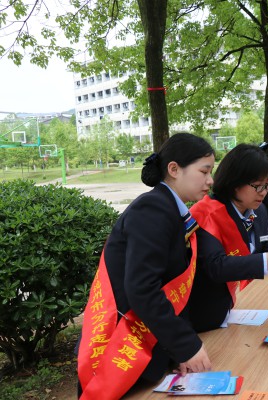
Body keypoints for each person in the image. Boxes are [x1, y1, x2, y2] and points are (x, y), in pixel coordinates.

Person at [77, 133, 215, 399]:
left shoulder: (172, 210)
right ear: (174, 169)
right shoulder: (152, 209)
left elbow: (172, 287)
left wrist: (178, 348)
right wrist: (185, 345)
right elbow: (142, 288)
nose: (210, 180)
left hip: (151, 347)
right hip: (121, 349)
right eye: (204, 171)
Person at [188, 144, 268, 333]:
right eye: (258, 186)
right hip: (202, 319)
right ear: (234, 182)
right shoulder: (205, 214)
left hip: (230, 312)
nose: (264, 192)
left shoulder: (258, 210)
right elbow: (217, 266)